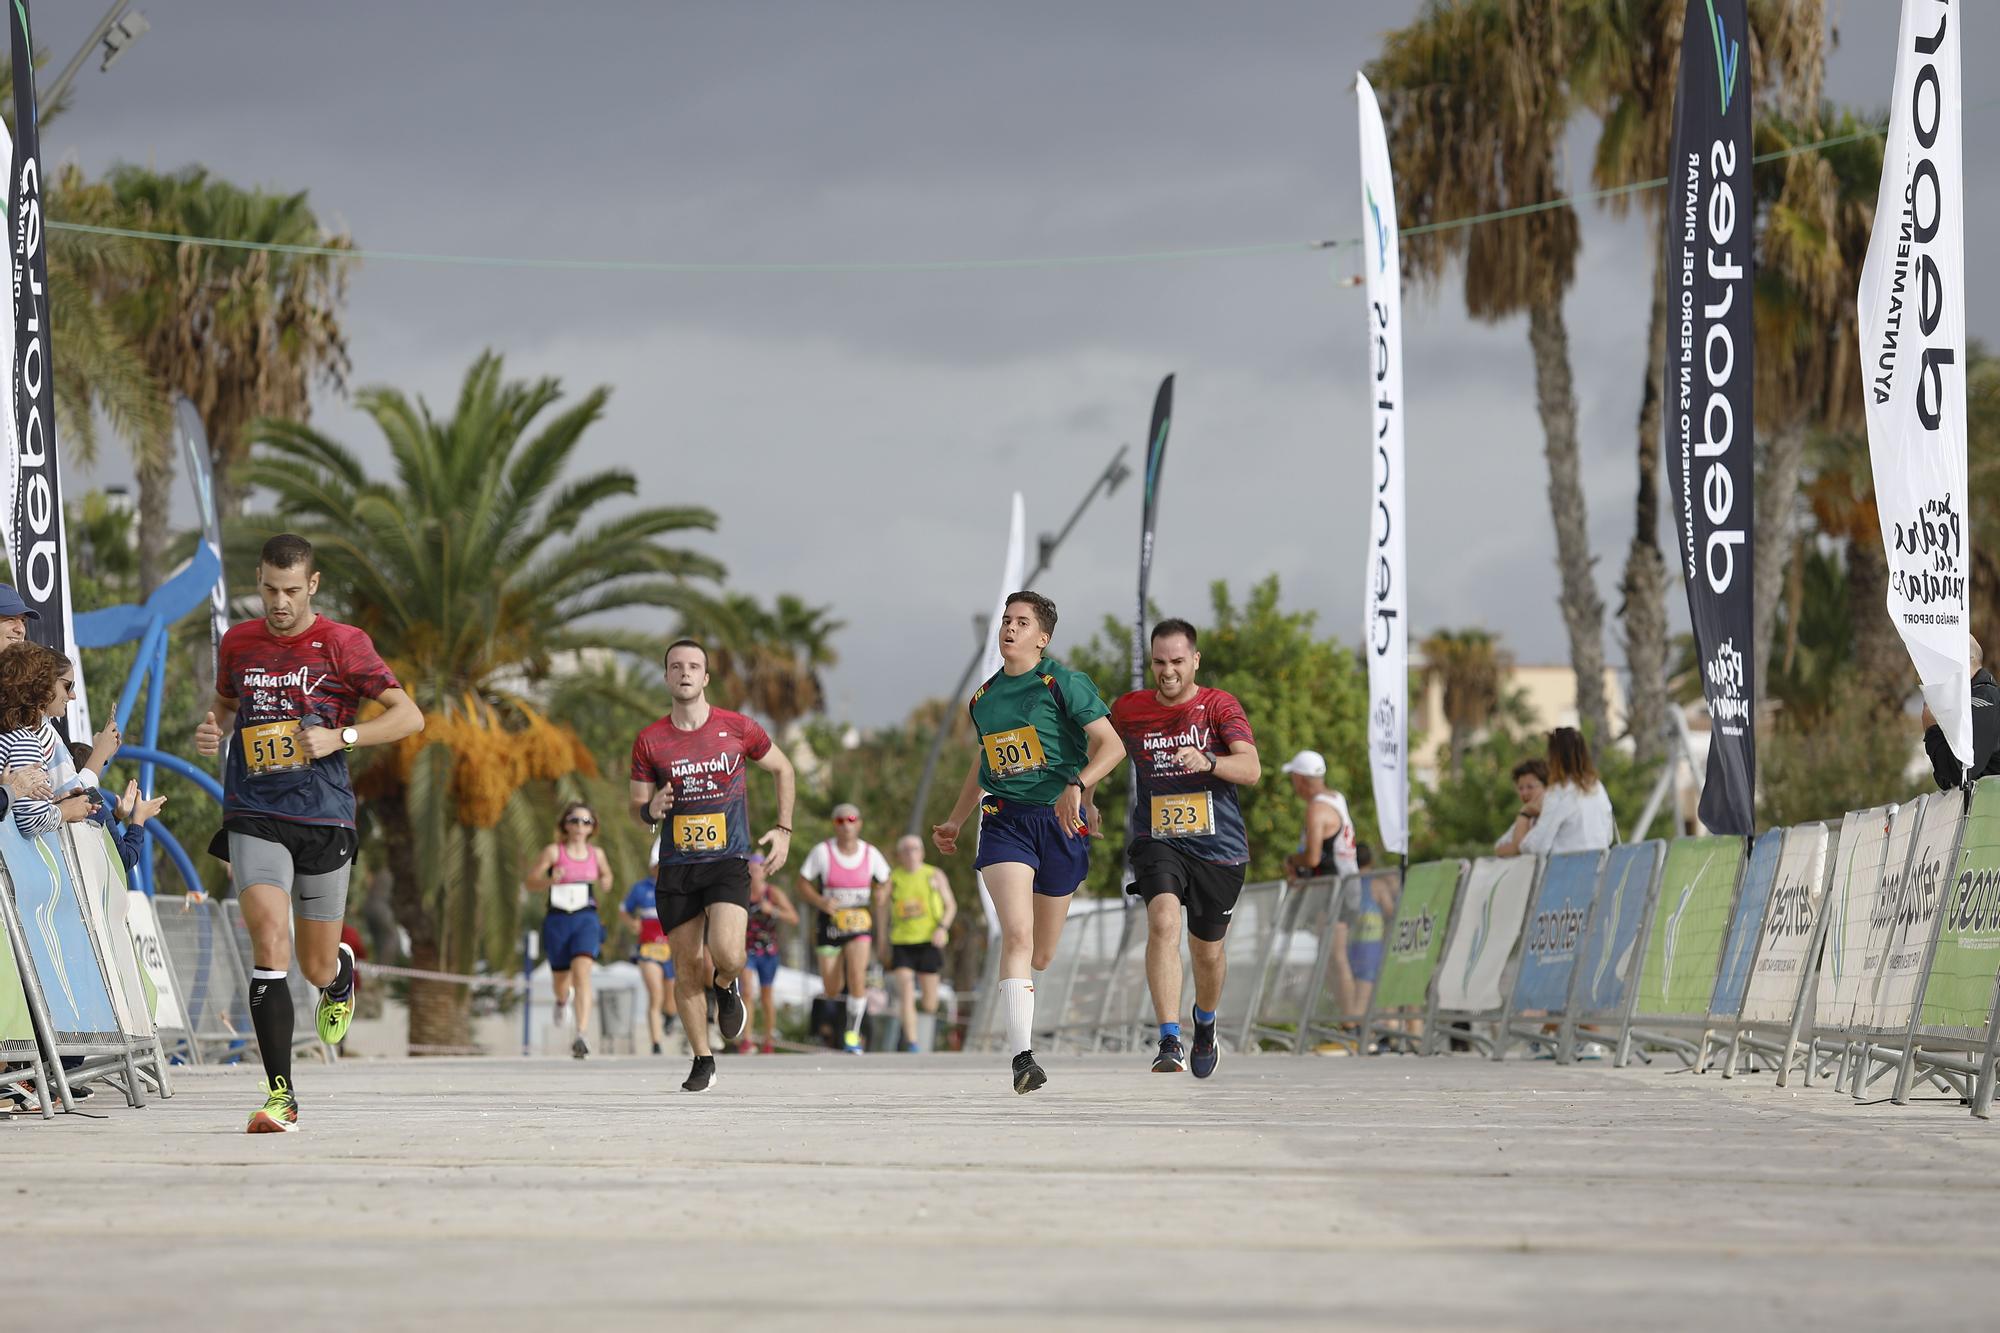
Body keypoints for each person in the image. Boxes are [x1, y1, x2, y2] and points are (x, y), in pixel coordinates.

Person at [195, 534, 426, 1133]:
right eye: (269, 588)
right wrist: (212, 728)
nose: (278, 602)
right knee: (270, 942)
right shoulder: (238, 642)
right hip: (254, 809)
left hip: (323, 816)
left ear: (312, 585)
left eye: (291, 591)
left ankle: (339, 975)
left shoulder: (344, 645)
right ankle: (281, 1097)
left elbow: (409, 716)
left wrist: (341, 738)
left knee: (316, 966)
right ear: (258, 579)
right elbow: (225, 702)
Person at [932, 591, 1124, 1094]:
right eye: (1005, 620)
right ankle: (1023, 1058)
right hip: (1004, 821)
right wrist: (956, 819)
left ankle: (1025, 1013)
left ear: (1043, 638)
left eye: (1021, 622)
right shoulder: (984, 698)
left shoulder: (1064, 683)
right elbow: (984, 762)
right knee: (1016, 936)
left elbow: (1112, 744)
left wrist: (1079, 787)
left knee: (1040, 953)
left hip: (1060, 822)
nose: (1009, 629)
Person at [629, 638, 796, 1093]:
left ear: (705, 678)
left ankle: (726, 984)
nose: (684, 673)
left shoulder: (738, 727)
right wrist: (652, 809)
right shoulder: (650, 740)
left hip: (727, 860)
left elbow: (784, 769)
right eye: (675, 666)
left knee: (729, 954)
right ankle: (702, 1058)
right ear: (666, 677)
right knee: (685, 966)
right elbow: (636, 807)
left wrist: (783, 829)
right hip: (677, 867)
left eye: (694, 666)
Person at [1108, 618, 1260, 1078]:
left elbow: (1251, 769)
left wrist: (1209, 760)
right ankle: (1169, 1039)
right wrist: (1085, 795)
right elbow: (1100, 750)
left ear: (1195, 660)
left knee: (1207, 952)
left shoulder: (1218, 706)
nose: (1168, 671)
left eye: (1177, 661)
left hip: (1219, 848)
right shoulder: (1130, 709)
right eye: (1159, 662)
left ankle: (1205, 1021)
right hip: (1158, 840)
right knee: (1163, 920)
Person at [796, 803, 891, 1053]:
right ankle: (845, 1016)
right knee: (831, 987)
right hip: (829, 925)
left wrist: (881, 894)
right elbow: (802, 883)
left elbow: (885, 880)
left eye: (850, 819)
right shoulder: (822, 852)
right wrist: (820, 901)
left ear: (859, 823)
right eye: (840, 821)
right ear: (834, 825)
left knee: (857, 975)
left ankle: (852, 1032)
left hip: (859, 922)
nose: (846, 825)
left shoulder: (870, 853)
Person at [527, 801, 613, 1059]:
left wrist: (603, 880)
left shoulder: (596, 855)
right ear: (565, 824)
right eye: (574, 820)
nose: (579, 826)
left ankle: (581, 1034)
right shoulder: (554, 852)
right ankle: (562, 1000)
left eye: (585, 821)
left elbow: (608, 878)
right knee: (561, 981)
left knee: (582, 972)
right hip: (558, 918)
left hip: (586, 917)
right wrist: (548, 880)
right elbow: (530, 881)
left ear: (592, 828)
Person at [0, 644, 117, 834]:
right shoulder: (24, 740)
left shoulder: (9, 733)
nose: (72, 695)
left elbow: (23, 806)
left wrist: (56, 801)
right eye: (67, 685)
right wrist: (66, 810)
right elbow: (31, 821)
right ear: (42, 688)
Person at [885, 834, 956, 1053]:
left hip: (928, 941)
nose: (910, 853)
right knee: (905, 988)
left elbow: (951, 906)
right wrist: (881, 939)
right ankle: (913, 1043)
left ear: (922, 852)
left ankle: (923, 1017)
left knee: (929, 1002)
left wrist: (942, 928)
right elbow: (880, 909)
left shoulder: (933, 874)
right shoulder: (892, 878)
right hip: (902, 941)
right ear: (899, 855)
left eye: (915, 848)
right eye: (905, 850)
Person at [1498, 727, 1614, 856]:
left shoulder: (1559, 793)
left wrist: (1525, 816)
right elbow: (1608, 836)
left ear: (1555, 757)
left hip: (1567, 872)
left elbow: (1535, 847)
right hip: (1599, 870)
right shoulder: (1597, 787)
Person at [619, 844, 679, 1056]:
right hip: (648, 949)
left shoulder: (676, 885)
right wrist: (631, 923)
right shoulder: (641, 888)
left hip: (671, 950)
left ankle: (670, 1015)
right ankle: (656, 1043)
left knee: (671, 997)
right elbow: (623, 910)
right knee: (656, 994)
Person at [1924, 634, 2000, 789]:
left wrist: (1932, 730)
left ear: (1964, 660)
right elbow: (1947, 780)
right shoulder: (1977, 700)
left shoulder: (1984, 699)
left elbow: (1962, 771)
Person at [741, 852, 797, 1053]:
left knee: (766, 995)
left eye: (756, 870)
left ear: (765, 872)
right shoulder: (741, 892)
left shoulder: (772, 893)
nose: (753, 874)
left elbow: (793, 917)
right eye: (750, 871)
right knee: (746, 991)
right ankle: (746, 1039)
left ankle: (768, 1040)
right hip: (746, 949)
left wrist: (772, 910)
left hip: (768, 950)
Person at [1280, 751, 1357, 884]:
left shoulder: (1316, 809)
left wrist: (1291, 860)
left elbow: (1312, 859)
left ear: (1299, 779)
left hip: (1333, 888)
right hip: (1350, 881)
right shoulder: (1337, 797)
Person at [1493, 758, 1550, 857]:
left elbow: (1522, 848)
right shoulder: (1526, 814)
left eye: (1530, 787)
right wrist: (1525, 814)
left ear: (1547, 787)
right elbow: (1499, 849)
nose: (1524, 793)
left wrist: (1517, 846)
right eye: (1520, 788)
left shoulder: (1552, 814)